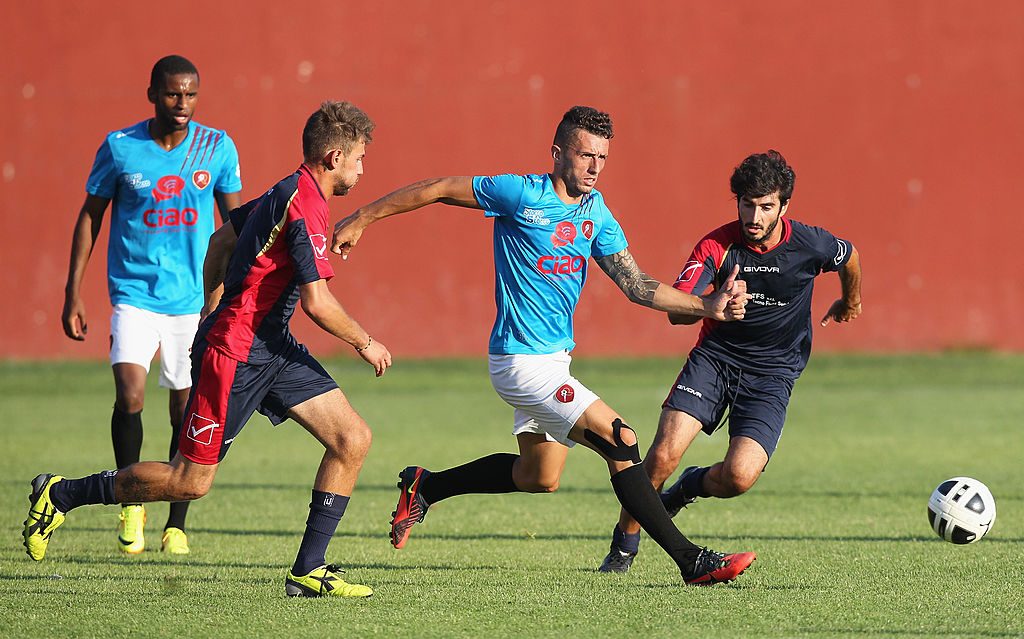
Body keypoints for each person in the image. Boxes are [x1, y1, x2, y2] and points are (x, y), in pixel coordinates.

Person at [331, 106, 756, 586]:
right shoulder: (519, 193)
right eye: (584, 154)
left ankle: (427, 486)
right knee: (622, 440)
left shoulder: (595, 213)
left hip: (555, 363)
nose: (595, 167)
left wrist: (706, 306)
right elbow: (438, 189)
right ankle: (690, 560)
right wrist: (363, 217)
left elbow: (637, 284)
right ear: (557, 154)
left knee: (539, 476)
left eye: (602, 157)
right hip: (520, 363)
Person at [26, 101, 391, 599]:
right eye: (359, 159)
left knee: (352, 439)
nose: (362, 169)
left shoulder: (287, 190)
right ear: (333, 157)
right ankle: (61, 494)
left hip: (271, 347)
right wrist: (365, 343)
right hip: (236, 356)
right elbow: (317, 302)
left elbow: (221, 241)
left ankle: (309, 570)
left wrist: (211, 309)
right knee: (188, 482)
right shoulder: (303, 206)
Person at [597, 150, 863, 573]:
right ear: (736, 201)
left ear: (784, 207)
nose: (754, 216)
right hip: (716, 359)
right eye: (747, 204)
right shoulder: (717, 246)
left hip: (773, 374)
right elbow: (676, 311)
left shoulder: (811, 243)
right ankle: (625, 543)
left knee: (738, 478)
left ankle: (687, 488)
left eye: (766, 206)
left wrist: (851, 300)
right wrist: (711, 305)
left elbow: (848, 257)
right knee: (663, 454)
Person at [61, 55, 243, 555]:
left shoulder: (216, 146)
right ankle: (130, 501)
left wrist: (232, 293)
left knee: (185, 410)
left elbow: (237, 226)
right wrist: (72, 291)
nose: (181, 104)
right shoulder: (121, 148)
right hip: (134, 292)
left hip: (192, 302)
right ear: (151, 94)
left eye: (190, 95)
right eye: (172, 94)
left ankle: (176, 523)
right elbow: (89, 217)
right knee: (130, 394)